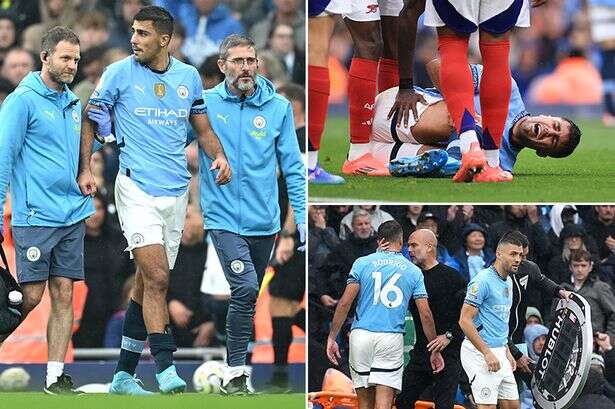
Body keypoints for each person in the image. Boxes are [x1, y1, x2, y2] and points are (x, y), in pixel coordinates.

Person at [77, 5, 231, 395]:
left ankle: (123, 376)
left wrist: (218, 155)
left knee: (147, 284)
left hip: (177, 191)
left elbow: (202, 126)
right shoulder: (117, 73)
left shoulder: (187, 77)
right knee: (160, 277)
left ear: (164, 39)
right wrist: (84, 168)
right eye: (133, 32)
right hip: (136, 189)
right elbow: (91, 118)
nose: (134, 39)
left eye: (143, 33)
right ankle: (165, 366)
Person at [198, 33, 305, 394]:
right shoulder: (205, 104)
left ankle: (238, 376)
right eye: (239, 61)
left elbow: (293, 168)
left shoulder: (277, 107)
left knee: (247, 296)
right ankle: (236, 374)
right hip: (222, 217)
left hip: (265, 222)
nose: (246, 67)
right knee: (244, 288)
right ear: (222, 65)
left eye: (251, 60)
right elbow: (171, 142)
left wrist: (301, 221)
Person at [0, 26, 92, 395]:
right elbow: (3, 160)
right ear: (45, 57)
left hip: (71, 214)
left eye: (76, 59)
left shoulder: (73, 103)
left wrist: (85, 171)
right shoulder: (21, 101)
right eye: (65, 58)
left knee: (64, 294)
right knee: (30, 297)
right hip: (36, 216)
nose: (71, 65)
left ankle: (55, 377)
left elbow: (73, 153)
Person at [368, 60, 581, 177]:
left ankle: (427, 163)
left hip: (385, 153)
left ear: (543, 152)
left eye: (552, 140)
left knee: (469, 157)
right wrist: (462, 115)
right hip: (397, 111)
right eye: (554, 126)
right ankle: (456, 157)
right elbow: (436, 65)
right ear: (546, 115)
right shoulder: (507, 87)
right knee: (470, 122)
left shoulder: (502, 165)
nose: (548, 131)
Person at [326, 221, 444, 409]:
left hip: (361, 336)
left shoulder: (362, 263)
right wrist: (434, 348)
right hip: (390, 337)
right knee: (384, 404)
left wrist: (332, 337)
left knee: (364, 403)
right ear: (401, 241)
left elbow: (345, 303)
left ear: (380, 240)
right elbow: (425, 313)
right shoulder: (413, 271)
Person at [397, 229, 467, 409]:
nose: (409, 250)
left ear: (429, 247)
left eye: (414, 245)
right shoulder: (411, 278)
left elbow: (469, 316)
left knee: (444, 406)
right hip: (421, 354)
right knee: (402, 401)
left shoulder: (453, 278)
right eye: (408, 246)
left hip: (449, 355)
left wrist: (449, 336)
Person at [459, 230, 526, 409]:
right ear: (498, 253)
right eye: (513, 254)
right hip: (479, 352)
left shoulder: (509, 281)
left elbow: (499, 319)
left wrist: (506, 348)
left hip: (500, 351)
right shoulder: (482, 281)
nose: (518, 259)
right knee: (486, 407)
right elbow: (464, 321)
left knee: (513, 406)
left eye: (520, 255)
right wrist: (487, 352)